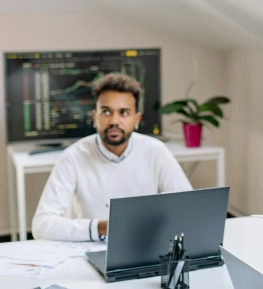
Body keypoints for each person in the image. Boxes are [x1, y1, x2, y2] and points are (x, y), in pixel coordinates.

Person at [32, 73, 192, 241]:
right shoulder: (73, 157)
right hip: (89, 247)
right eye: (106, 112)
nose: (114, 121)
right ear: (95, 117)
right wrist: (101, 227)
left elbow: (187, 207)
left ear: (136, 119)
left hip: (143, 245)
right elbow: (41, 225)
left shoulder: (156, 151)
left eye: (124, 113)